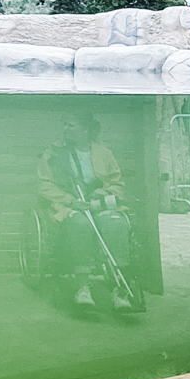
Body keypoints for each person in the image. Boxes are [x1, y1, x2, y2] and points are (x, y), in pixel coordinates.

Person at [37, 114, 126, 306]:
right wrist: (70, 200)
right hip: (70, 205)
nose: (65, 129)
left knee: (116, 223)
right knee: (80, 224)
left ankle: (119, 287)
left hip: (98, 204)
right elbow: (45, 185)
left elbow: (117, 184)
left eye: (71, 125)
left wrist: (102, 192)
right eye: (64, 125)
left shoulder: (104, 153)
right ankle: (82, 286)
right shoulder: (54, 153)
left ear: (85, 129)